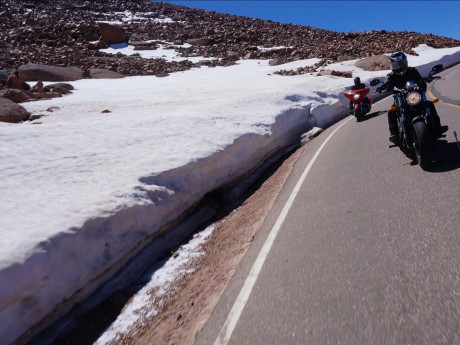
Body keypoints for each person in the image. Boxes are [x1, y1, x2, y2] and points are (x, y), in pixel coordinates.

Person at [376, 51, 448, 144]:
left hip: (414, 96)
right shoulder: (391, 76)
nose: (399, 66)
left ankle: (438, 129)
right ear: (392, 65)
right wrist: (382, 87)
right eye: (396, 64)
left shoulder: (412, 71)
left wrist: (426, 80)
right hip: (400, 98)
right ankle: (394, 135)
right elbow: (387, 83)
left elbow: (420, 80)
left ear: (405, 62)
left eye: (401, 63)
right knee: (391, 111)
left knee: (429, 104)